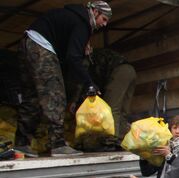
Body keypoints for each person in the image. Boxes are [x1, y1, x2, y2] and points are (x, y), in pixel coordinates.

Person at [14, 1, 112, 158]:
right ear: (94, 12)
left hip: (27, 43)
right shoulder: (83, 23)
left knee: (31, 97)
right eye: (104, 19)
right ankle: (58, 145)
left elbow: (68, 53)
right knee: (55, 96)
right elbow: (73, 58)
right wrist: (89, 83)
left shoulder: (72, 16)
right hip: (41, 48)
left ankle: (21, 143)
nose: (104, 24)